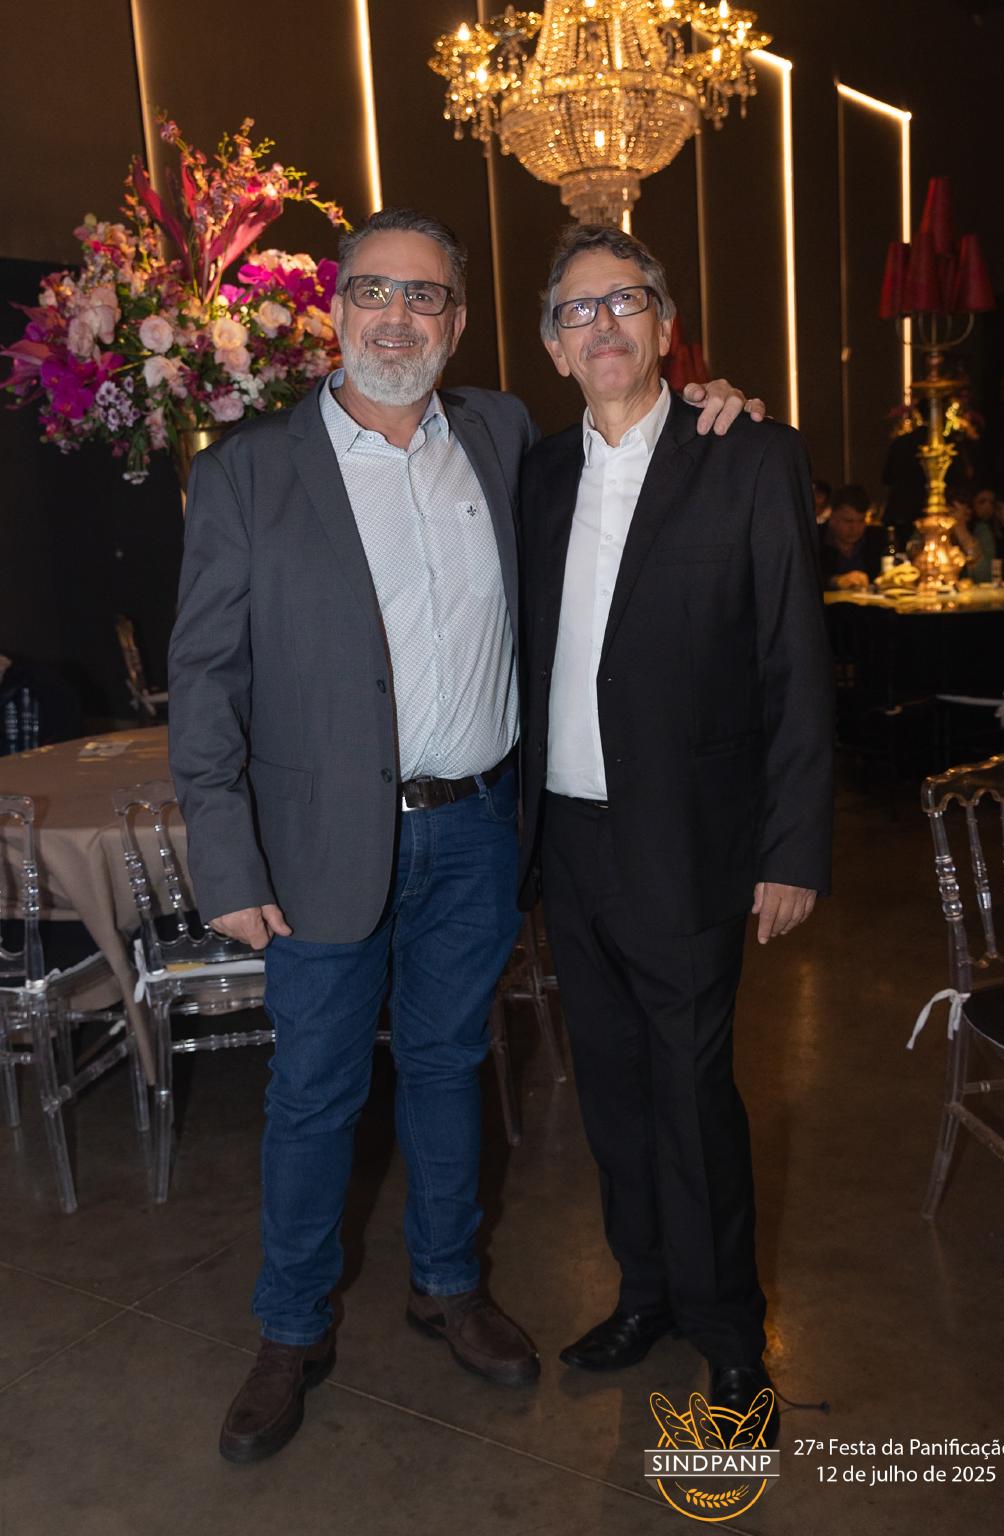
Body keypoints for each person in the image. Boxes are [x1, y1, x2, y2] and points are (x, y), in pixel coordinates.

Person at [168, 206, 761, 1464]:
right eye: (374, 291)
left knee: (448, 1069)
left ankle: (446, 1284)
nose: (397, 317)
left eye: (425, 296)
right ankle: (288, 1330)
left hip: (480, 829)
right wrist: (224, 858)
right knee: (315, 1092)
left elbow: (632, 436)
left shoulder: (498, 438)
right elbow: (205, 681)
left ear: (459, 323)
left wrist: (715, 402)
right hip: (318, 847)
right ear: (335, 309)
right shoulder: (246, 473)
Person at [517, 224, 833, 1448]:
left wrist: (791, 848)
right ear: (553, 346)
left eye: (625, 302)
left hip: (692, 841)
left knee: (693, 1095)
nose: (602, 325)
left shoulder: (746, 453)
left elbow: (793, 662)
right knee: (609, 1088)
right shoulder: (534, 474)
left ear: (663, 325)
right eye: (578, 310)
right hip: (567, 841)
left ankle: (729, 1335)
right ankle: (642, 1293)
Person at [819, 485, 887, 589]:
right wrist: (835, 581)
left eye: (861, 521)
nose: (855, 528)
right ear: (832, 518)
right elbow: (803, 579)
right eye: (848, 521)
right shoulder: (814, 539)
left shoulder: (876, 539)